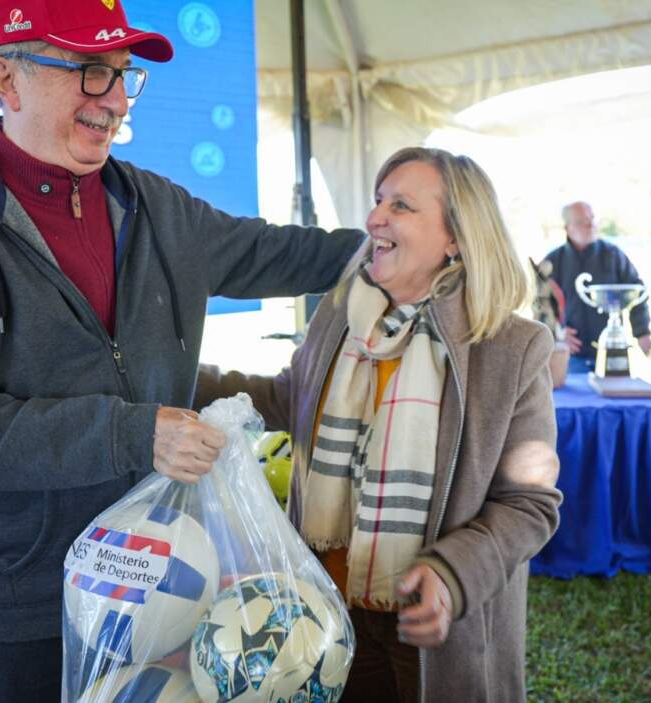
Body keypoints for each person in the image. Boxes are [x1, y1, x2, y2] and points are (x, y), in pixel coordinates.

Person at [0, 1, 364, 699]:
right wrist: (133, 433)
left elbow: (278, 252)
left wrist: (387, 248)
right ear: (6, 81)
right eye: (88, 72)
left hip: (163, 580)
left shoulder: (155, 207)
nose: (113, 103)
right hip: (22, 601)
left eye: (123, 76)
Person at [199, 147, 564, 702]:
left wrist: (451, 573)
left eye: (401, 205)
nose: (374, 219)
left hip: (430, 631)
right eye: (376, 201)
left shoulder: (511, 348)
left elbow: (529, 505)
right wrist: (174, 373)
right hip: (326, 610)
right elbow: (289, 397)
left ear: (456, 238)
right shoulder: (341, 320)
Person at [543, 200, 651, 374]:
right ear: (568, 228)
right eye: (582, 221)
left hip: (612, 349)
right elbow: (540, 307)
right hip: (570, 355)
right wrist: (556, 334)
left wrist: (642, 332)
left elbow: (636, 292)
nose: (591, 224)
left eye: (592, 218)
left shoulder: (614, 255)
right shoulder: (552, 262)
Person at [530, 255, 572, 387]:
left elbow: (558, 299)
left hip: (549, 310)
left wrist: (557, 313)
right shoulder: (536, 282)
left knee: (549, 326)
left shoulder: (550, 284)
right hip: (539, 308)